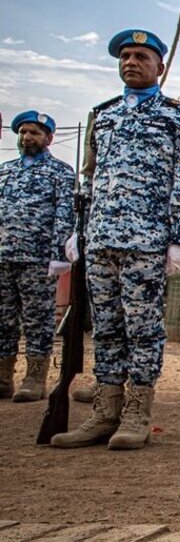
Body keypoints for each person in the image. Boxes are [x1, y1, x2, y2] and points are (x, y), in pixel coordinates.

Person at [52, 28, 180, 450]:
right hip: (101, 238)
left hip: (147, 240)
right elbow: (89, 178)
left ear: (160, 66)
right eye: (125, 56)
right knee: (105, 328)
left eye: (141, 56)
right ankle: (105, 411)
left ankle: (137, 413)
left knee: (142, 328)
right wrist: (77, 231)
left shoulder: (178, 117)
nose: (131, 62)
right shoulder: (102, 115)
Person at [0, 111, 74, 402]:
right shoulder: (5, 171)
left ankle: (35, 378)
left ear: (49, 138)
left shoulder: (60, 172)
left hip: (39, 259)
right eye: (23, 132)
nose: (27, 137)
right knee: (3, 319)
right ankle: (4, 377)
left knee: (38, 319)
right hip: (5, 256)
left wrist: (59, 254)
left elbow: (65, 215)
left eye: (35, 133)